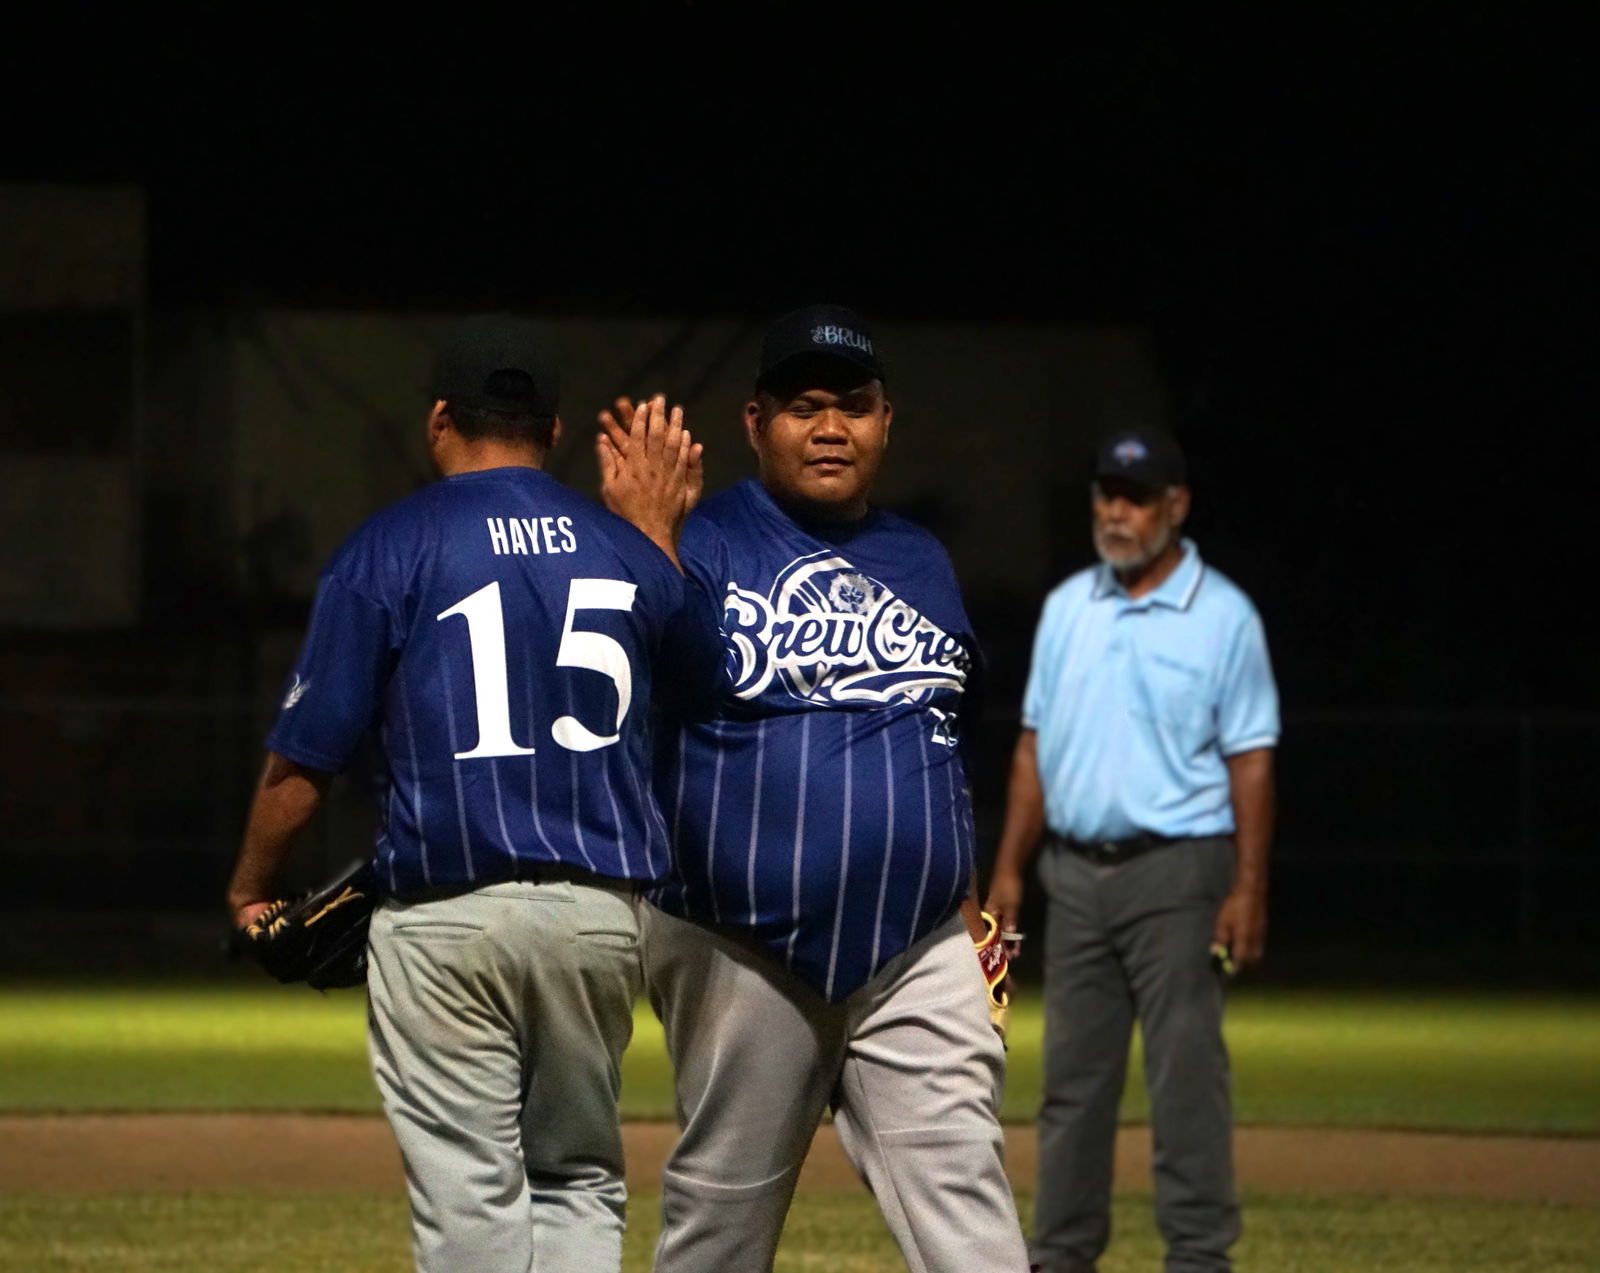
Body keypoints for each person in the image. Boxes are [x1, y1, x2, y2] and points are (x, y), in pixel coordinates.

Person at [225, 315, 713, 1273]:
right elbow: (706, 684)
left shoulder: (389, 546)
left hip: (444, 917)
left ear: (439, 418)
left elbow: (304, 761)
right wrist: (657, 537)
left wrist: (251, 887)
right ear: (556, 431)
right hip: (599, 920)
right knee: (578, 1180)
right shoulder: (623, 552)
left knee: (469, 1192)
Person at [602, 304, 1031, 1273]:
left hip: (915, 946)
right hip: (742, 942)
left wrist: (962, 896)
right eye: (803, 406)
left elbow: (935, 734)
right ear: (755, 423)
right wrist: (642, 540)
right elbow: (631, 680)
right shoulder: (699, 542)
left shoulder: (922, 559)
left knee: (970, 1212)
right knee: (721, 1224)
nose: (830, 426)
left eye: (854, 406)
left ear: (886, 422)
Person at [984, 424, 1279, 1273]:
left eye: (1136, 496)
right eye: (1107, 492)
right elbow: (1035, 745)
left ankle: (1197, 1254)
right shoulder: (1070, 605)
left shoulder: (1224, 615)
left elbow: (1252, 758)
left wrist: (1248, 887)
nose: (1116, 510)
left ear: (1176, 506)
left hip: (1180, 871)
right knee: (1071, 1084)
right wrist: (1009, 864)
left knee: (1187, 1076)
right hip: (1071, 874)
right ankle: (1063, 1253)